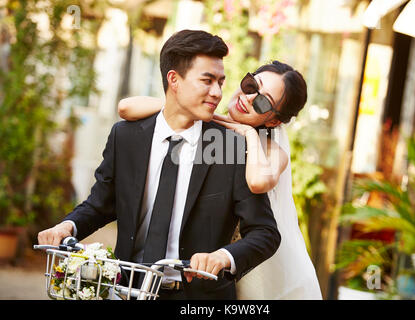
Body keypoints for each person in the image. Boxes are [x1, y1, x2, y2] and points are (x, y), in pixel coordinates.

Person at [37, 29, 281, 300]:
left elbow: (265, 233)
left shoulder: (229, 147)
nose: (217, 92)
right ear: (174, 80)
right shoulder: (126, 137)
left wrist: (223, 257)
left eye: (221, 82)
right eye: (207, 80)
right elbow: (100, 204)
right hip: (127, 290)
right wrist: (66, 227)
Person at [118, 61, 323, 299]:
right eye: (250, 85)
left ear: (274, 121)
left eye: (263, 101)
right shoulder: (208, 124)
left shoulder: (272, 152)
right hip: (205, 268)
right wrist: (189, 108)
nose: (248, 98)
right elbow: (125, 108)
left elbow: (257, 182)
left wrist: (248, 134)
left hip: (252, 265)